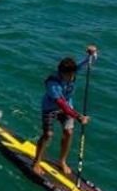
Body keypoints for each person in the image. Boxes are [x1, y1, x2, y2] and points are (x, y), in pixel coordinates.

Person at [32, 46, 98, 176]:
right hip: (51, 108)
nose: (71, 77)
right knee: (48, 135)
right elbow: (62, 105)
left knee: (68, 132)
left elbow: (88, 61)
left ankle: (62, 161)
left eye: (72, 74)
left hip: (68, 107)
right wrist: (79, 117)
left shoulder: (72, 71)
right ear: (61, 72)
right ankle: (36, 162)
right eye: (68, 75)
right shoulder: (53, 83)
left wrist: (92, 53)